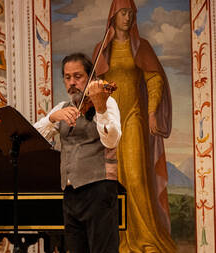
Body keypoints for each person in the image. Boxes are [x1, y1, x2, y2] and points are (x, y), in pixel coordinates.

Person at [92, 0, 176, 252]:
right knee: (113, 180)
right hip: (109, 120)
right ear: (113, 17)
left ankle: (146, 238)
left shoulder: (141, 47)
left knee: (137, 178)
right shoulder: (102, 49)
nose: (128, 18)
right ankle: (120, 240)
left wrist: (152, 113)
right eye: (123, 13)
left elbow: (154, 79)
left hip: (134, 116)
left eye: (131, 13)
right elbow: (94, 84)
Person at [34, 52, 121, 252]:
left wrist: (100, 110)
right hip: (71, 194)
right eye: (67, 77)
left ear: (90, 78)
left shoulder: (107, 103)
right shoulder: (62, 108)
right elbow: (33, 137)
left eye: (78, 76)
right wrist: (52, 118)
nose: (72, 82)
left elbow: (112, 139)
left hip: (99, 190)